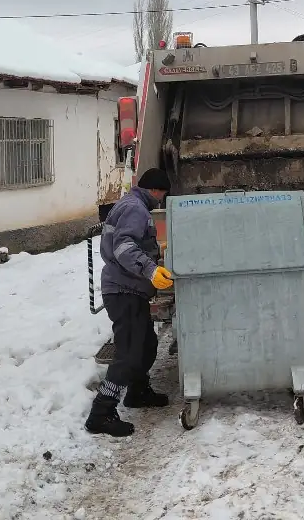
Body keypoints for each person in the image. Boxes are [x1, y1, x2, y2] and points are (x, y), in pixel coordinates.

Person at [85, 168, 175, 437]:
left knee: (147, 345)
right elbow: (124, 247)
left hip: (128, 289)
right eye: (162, 194)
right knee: (128, 354)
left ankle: (137, 391)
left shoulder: (131, 205)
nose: (161, 201)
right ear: (155, 190)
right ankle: (100, 413)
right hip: (123, 291)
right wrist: (149, 270)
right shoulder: (136, 209)